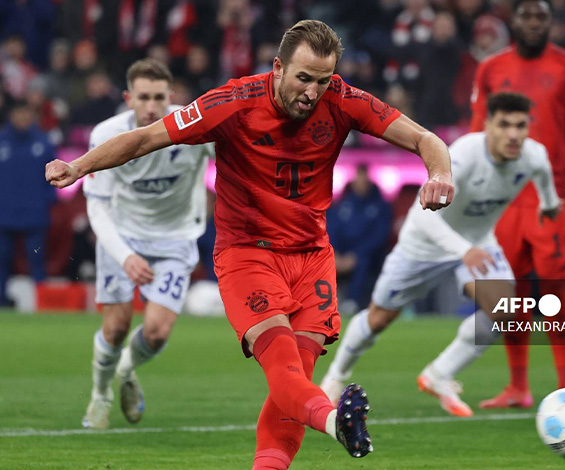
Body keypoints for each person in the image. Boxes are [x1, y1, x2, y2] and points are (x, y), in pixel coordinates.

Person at [46, 20, 454, 467]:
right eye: (303, 78)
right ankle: (336, 420)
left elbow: (424, 138)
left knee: (294, 383)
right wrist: (80, 166)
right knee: (282, 369)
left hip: (313, 257)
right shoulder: (232, 102)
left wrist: (440, 174)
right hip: (248, 253)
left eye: (322, 81)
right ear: (278, 67)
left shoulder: (342, 99)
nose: (312, 91)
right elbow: (146, 138)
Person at [320, 92, 560, 417]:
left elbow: (544, 176)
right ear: (488, 125)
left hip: (478, 241)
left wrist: (548, 204)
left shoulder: (533, 155)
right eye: (504, 125)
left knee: (506, 311)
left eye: (521, 126)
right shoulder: (462, 157)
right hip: (425, 242)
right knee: (379, 318)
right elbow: (422, 215)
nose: (513, 135)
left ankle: (439, 374)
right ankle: (336, 377)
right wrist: (464, 251)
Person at [469, 0, 565, 408]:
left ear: (551, 22)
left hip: (550, 200)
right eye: (525, 15)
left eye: (540, 16)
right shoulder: (491, 68)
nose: (532, 23)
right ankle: (518, 387)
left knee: (554, 291)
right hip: (502, 203)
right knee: (511, 296)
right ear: (513, 21)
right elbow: (477, 132)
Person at [78, 59, 213, 430]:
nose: (151, 107)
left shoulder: (195, 126)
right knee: (117, 328)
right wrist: (125, 256)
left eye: (158, 98)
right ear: (128, 98)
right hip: (121, 235)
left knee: (156, 332)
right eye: (143, 98)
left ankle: (125, 369)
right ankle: (100, 395)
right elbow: (98, 207)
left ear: (171, 98)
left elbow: (231, 159)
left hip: (176, 238)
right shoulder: (105, 134)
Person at [0, 100, 56, 307]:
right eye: (19, 114)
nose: (23, 118)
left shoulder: (43, 142)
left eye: (26, 114)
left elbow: (55, 174)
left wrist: (48, 200)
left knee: (37, 260)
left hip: (35, 212)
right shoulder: (1, 140)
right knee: (2, 261)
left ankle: (43, 302)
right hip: (4, 213)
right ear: (11, 116)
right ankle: (2, 303)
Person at [327, 164, 393, 314]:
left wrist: (355, 255)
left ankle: (352, 302)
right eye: (359, 178)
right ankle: (324, 304)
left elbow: (379, 237)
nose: (362, 182)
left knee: (363, 261)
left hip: (367, 256)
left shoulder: (381, 206)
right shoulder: (343, 204)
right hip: (340, 254)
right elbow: (332, 230)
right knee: (322, 260)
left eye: (365, 178)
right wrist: (335, 253)